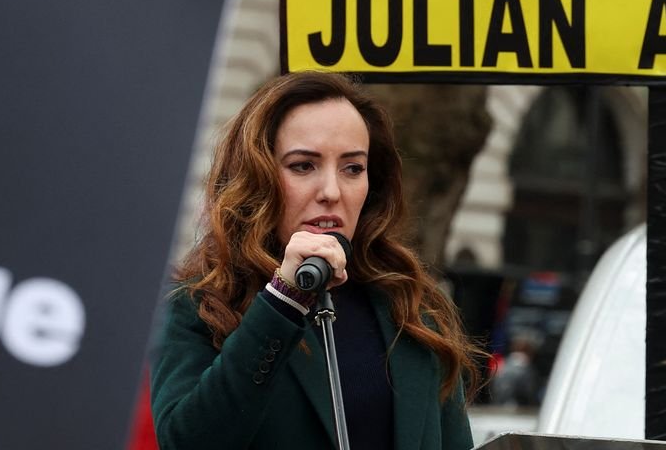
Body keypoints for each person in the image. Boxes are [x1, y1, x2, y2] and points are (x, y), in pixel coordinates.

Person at [150, 71, 480, 449]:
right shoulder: (200, 304)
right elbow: (186, 442)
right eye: (303, 166)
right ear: (258, 177)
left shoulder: (412, 305)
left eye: (352, 168)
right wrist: (284, 299)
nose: (331, 191)